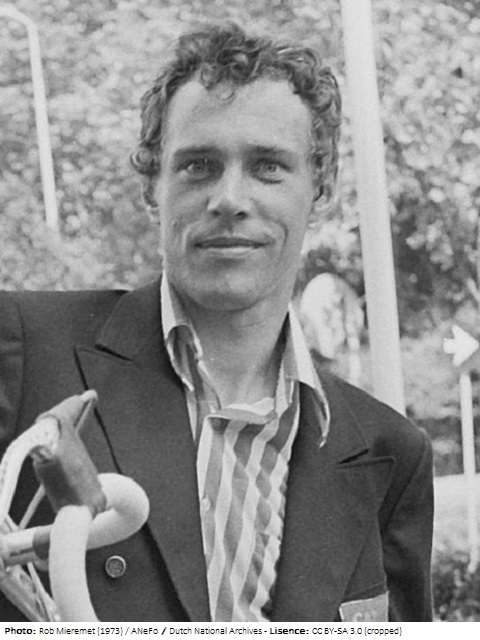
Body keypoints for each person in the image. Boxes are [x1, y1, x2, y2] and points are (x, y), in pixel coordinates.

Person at [0, 23, 433, 623]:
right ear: (153, 185)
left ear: (321, 186)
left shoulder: (390, 455)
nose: (229, 198)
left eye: (268, 167)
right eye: (199, 166)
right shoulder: (23, 351)